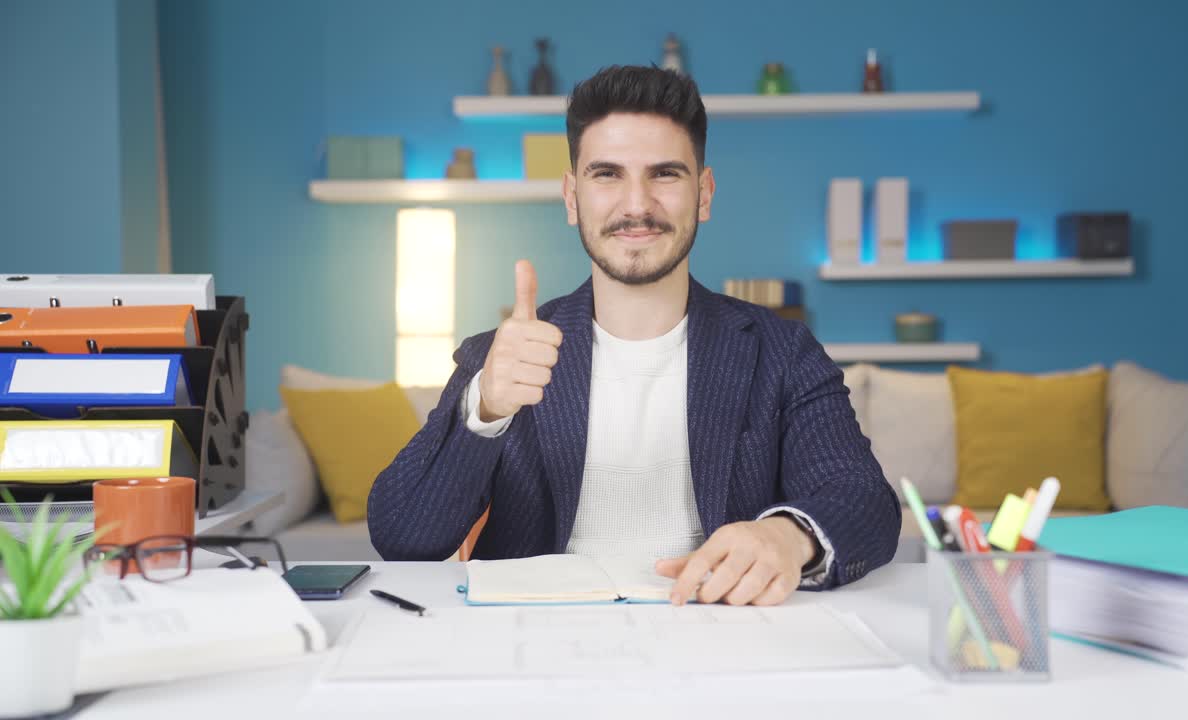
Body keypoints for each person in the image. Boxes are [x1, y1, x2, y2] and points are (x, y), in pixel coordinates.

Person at [368, 65, 900, 606]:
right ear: (572, 198)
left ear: (704, 194)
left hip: (723, 636)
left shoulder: (782, 352)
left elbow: (865, 501)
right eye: (607, 175)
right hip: (537, 650)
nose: (637, 205)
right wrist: (483, 408)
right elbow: (403, 538)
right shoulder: (500, 357)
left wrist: (788, 535)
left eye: (665, 174)